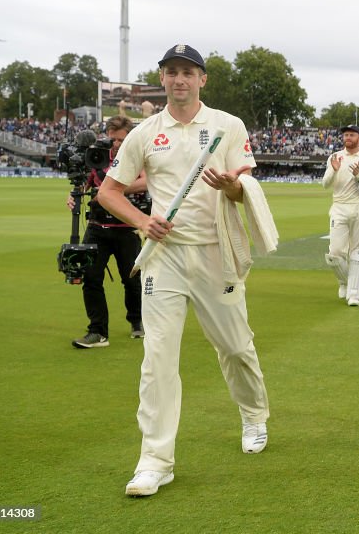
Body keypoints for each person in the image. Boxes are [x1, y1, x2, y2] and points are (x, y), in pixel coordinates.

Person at [97, 44, 274, 497]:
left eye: (188, 72)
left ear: (202, 80)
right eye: (172, 72)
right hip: (165, 256)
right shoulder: (144, 133)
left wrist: (234, 185)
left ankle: (254, 414)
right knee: (157, 359)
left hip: (216, 252)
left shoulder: (226, 126)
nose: (179, 79)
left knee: (234, 346)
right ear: (162, 79)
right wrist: (142, 221)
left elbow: (245, 187)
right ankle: (155, 460)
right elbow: (108, 192)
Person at [68, 116, 147, 348]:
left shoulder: (136, 157)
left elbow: (147, 182)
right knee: (90, 279)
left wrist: (112, 190)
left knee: (131, 281)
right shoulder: (97, 157)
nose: (116, 144)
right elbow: (85, 184)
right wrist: (73, 196)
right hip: (97, 227)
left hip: (126, 229)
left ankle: (136, 321)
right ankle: (97, 331)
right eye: (113, 139)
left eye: (121, 139)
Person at [322, 124, 359, 306]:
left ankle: (354, 293)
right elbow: (325, 184)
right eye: (346, 135)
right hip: (339, 207)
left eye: (352, 135)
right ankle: (344, 281)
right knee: (335, 253)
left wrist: (358, 176)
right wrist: (334, 169)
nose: (348, 137)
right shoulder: (334, 157)